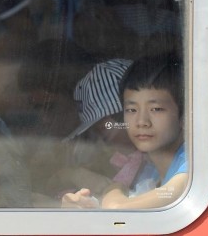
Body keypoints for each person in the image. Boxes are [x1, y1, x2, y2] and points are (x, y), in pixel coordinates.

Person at [62, 54, 186, 209]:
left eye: (156, 109)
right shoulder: (151, 169)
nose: (142, 122)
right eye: (131, 109)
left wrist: (114, 189)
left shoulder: (190, 168)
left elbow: (117, 209)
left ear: (185, 115)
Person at [38, 58, 136, 206]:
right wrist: (73, 175)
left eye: (103, 127)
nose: (101, 137)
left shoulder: (159, 162)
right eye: (95, 129)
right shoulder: (110, 158)